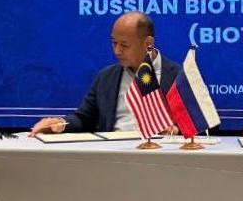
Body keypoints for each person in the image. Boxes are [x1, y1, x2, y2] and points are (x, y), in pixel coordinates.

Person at [31, 12, 181, 135]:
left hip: (160, 155)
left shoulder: (178, 76)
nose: (117, 51)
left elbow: (192, 124)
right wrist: (60, 124)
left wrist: (174, 131)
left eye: (124, 45)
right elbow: (84, 119)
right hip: (113, 154)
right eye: (114, 43)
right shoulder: (106, 77)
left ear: (148, 43)